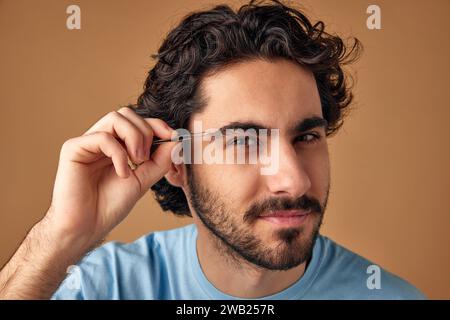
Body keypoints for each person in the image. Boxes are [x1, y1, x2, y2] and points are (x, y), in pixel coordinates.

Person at [0, 0, 424, 299]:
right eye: (243, 141)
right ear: (177, 160)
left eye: (306, 137)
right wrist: (60, 237)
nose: (295, 178)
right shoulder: (99, 286)